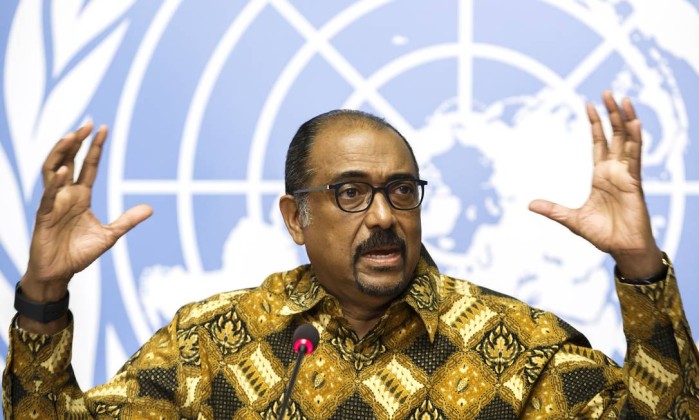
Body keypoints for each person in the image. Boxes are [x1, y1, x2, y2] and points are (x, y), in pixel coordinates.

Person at [2, 92, 698, 418]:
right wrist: (43, 298)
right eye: (350, 193)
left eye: (401, 191)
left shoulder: (521, 347)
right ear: (295, 218)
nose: (384, 217)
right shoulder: (208, 344)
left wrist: (640, 269)